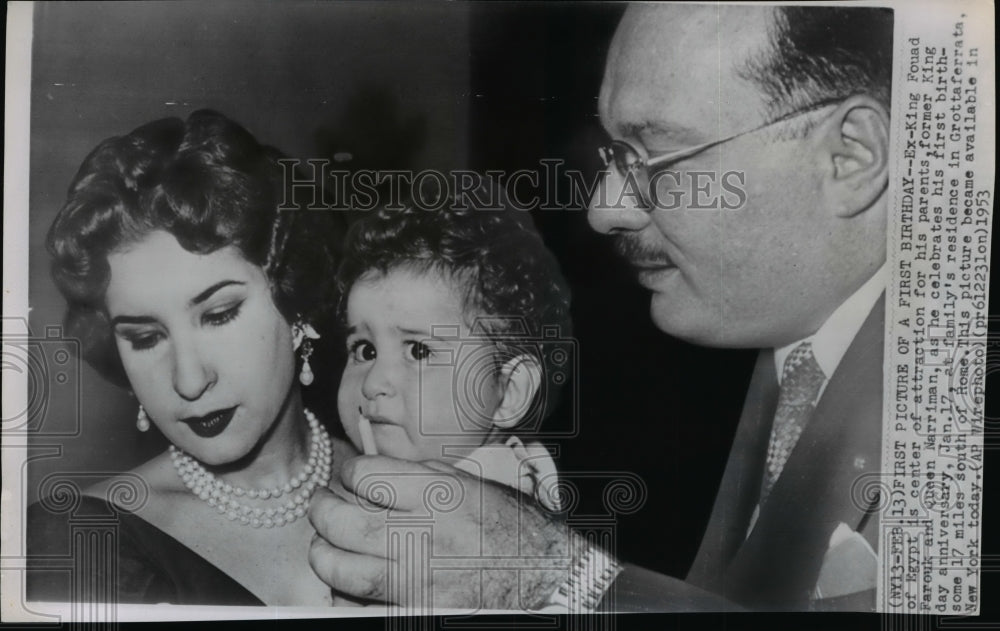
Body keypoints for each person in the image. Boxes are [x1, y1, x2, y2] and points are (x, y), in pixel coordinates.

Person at [308, 3, 892, 613]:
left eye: (654, 156)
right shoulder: (778, 357)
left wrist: (566, 582)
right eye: (616, 158)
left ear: (850, 156)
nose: (603, 208)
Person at [28, 110, 353, 606]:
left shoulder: (418, 484)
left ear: (296, 301)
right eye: (145, 338)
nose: (189, 380)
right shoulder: (76, 541)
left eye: (219, 315)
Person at [334, 202, 571, 512]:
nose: (373, 383)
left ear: (509, 391)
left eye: (419, 350)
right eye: (366, 350)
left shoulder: (484, 509)